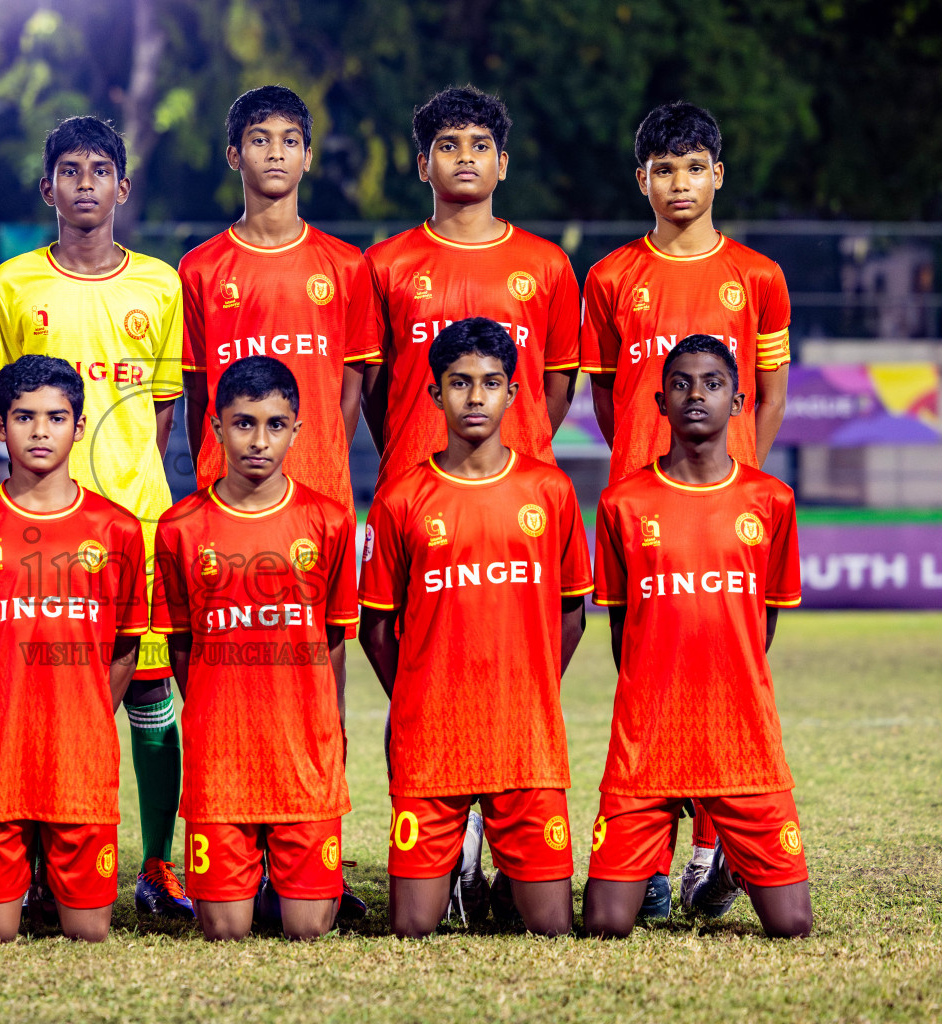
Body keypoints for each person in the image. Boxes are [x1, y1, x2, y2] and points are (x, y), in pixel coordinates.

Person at [579, 101, 794, 907]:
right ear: (643, 180)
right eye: (664, 168)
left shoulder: (759, 277)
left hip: (724, 512)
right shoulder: (609, 278)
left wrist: (737, 480)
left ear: (718, 176)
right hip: (641, 512)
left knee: (725, 677)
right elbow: (607, 400)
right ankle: (650, 862)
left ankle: (711, 848)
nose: (680, 182)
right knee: (640, 675)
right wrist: (642, 466)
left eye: (695, 166)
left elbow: (769, 394)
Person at [0, 116, 192, 918]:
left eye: (98, 170)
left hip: (136, 520)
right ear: (48, 188)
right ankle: (43, 856)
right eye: (68, 170)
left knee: (149, 689)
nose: (83, 183)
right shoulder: (12, 284)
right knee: (51, 691)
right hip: (41, 525)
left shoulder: (161, 285)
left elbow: (163, 415)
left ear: (121, 187)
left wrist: (130, 485)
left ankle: (159, 864)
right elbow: (12, 406)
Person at [358, 317, 591, 938]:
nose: (476, 397)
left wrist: (533, 685)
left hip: (525, 740)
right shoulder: (401, 498)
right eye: (459, 383)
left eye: (491, 382)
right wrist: (413, 695)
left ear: (514, 393)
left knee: (551, 929)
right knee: (412, 929)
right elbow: (375, 628)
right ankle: (463, 860)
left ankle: (511, 874)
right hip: (433, 741)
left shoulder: (551, 490)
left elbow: (573, 615)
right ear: (435, 393)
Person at [582, 335, 811, 940]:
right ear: (659, 401)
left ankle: (724, 873)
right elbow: (621, 628)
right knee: (606, 923)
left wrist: (724, 684)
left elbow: (762, 624)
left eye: (712, 383)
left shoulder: (771, 501)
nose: (696, 395)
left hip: (742, 735)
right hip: (645, 738)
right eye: (681, 383)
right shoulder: (623, 503)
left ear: (739, 402)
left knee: (791, 925)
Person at [0, 355, 148, 943]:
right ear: (1, 428)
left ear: (78, 427)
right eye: (24, 417)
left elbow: (124, 648)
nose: (40, 431)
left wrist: (94, 710)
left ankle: (51, 875)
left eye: (55, 417)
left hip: (80, 757)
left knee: (88, 932)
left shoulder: (116, 529)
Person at [153, 356, 357, 940]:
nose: (259, 441)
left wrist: (330, 724)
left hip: (305, 754)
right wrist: (216, 711)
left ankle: (281, 879)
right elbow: (182, 644)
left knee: (310, 929)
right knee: (224, 931)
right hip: (222, 758)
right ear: (216, 426)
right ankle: (253, 877)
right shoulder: (181, 527)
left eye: (275, 424)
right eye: (243, 423)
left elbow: (334, 635)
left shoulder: (328, 520)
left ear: (297, 428)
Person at [364, 86, 580, 487]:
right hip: (414, 481)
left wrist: (520, 441)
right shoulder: (383, 264)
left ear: (501, 164)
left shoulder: (548, 264)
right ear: (423, 166)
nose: (465, 156)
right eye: (448, 145)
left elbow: (557, 386)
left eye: (479, 145)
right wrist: (408, 445)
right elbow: (373, 390)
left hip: (520, 486)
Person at [179, 86, 380, 513]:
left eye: (290, 141)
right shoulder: (199, 268)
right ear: (234, 155)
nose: (276, 153)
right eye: (259, 140)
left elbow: (350, 391)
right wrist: (214, 468)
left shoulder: (347, 265)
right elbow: (197, 394)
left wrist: (323, 462)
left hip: (321, 490)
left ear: (307, 158)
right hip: (226, 492)